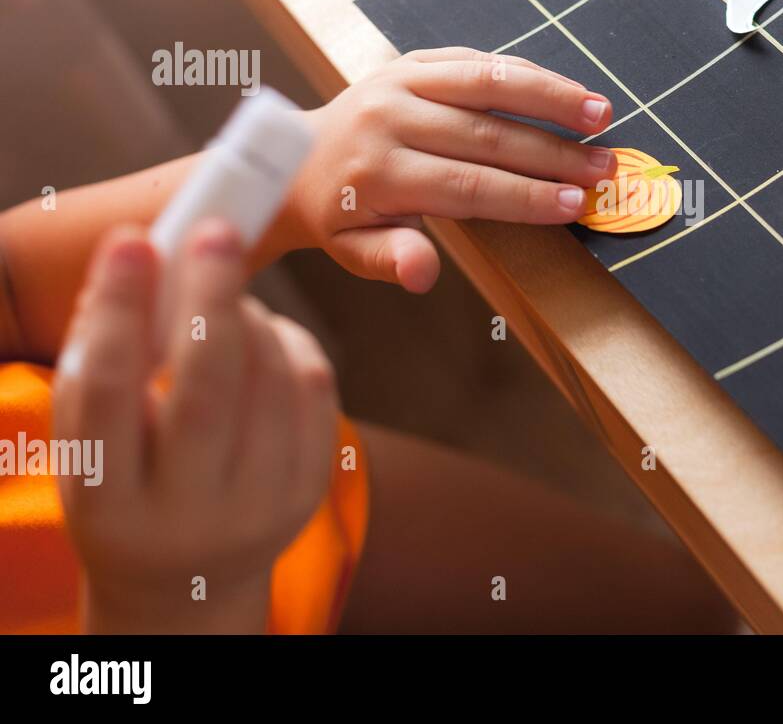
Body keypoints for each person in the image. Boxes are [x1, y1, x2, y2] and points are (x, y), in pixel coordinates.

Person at [0, 48, 737, 634]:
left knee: (676, 607)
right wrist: (164, 603)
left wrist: (298, 180)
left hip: (280, 485)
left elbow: (10, 284)